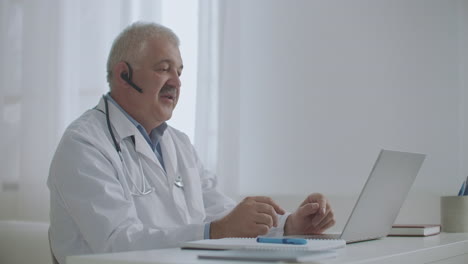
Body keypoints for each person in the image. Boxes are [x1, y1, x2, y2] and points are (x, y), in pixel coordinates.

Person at [48, 21, 335, 264]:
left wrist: (290, 225)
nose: (177, 82)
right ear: (124, 75)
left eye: (179, 72)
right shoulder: (84, 144)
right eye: (164, 69)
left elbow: (223, 216)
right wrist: (214, 232)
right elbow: (115, 244)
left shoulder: (179, 144)